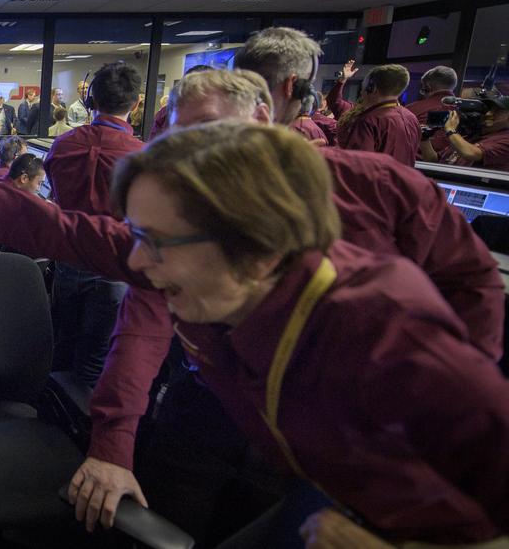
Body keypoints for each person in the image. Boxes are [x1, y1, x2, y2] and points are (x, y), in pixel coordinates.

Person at [0, 99, 509, 547]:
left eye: (157, 241)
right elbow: (46, 224)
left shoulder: (384, 337)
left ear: (254, 244)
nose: (135, 261)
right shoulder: (200, 262)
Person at [83, 64, 503, 544]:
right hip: (224, 417)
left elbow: (470, 281)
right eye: (181, 138)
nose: (190, 158)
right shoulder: (198, 257)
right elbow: (138, 309)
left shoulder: (382, 329)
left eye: (207, 135)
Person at [42, 61, 145, 387]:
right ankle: (80, 431)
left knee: (62, 349)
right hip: (113, 272)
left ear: (92, 101)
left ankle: (50, 424)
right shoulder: (142, 157)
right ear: (137, 103)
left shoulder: (62, 145)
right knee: (96, 360)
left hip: (68, 264)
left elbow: (56, 195)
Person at [334, 64, 421, 166]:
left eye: (363, 87)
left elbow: (357, 166)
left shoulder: (368, 120)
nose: (361, 92)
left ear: (372, 88)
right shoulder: (412, 118)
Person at [421, 97, 509, 172]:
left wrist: (451, 130)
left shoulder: (505, 139)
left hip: (469, 188)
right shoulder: (472, 135)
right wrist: (424, 138)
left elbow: (471, 153)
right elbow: (433, 161)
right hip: (444, 182)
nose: (488, 114)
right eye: (488, 109)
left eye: (497, 111)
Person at [407, 66, 458, 157]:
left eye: (423, 89)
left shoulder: (412, 109)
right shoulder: (465, 111)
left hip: (416, 164)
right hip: (454, 166)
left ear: (428, 87)